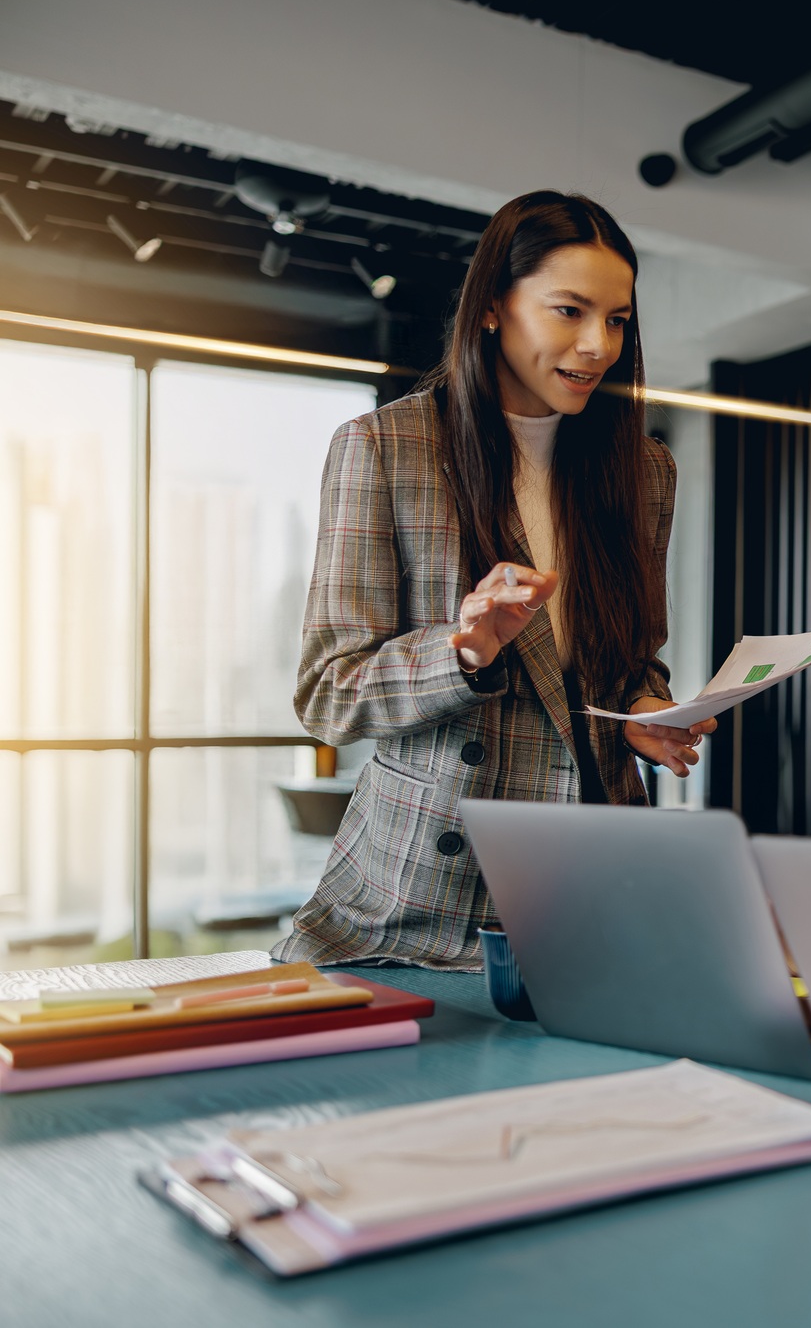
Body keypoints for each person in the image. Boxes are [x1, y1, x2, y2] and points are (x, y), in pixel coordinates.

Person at [275, 191, 716, 970]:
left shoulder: (644, 470)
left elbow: (632, 658)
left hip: (593, 872)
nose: (599, 345)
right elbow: (328, 695)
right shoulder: (385, 446)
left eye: (617, 320)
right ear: (491, 308)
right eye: (570, 311)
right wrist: (462, 651)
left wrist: (645, 709)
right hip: (425, 892)